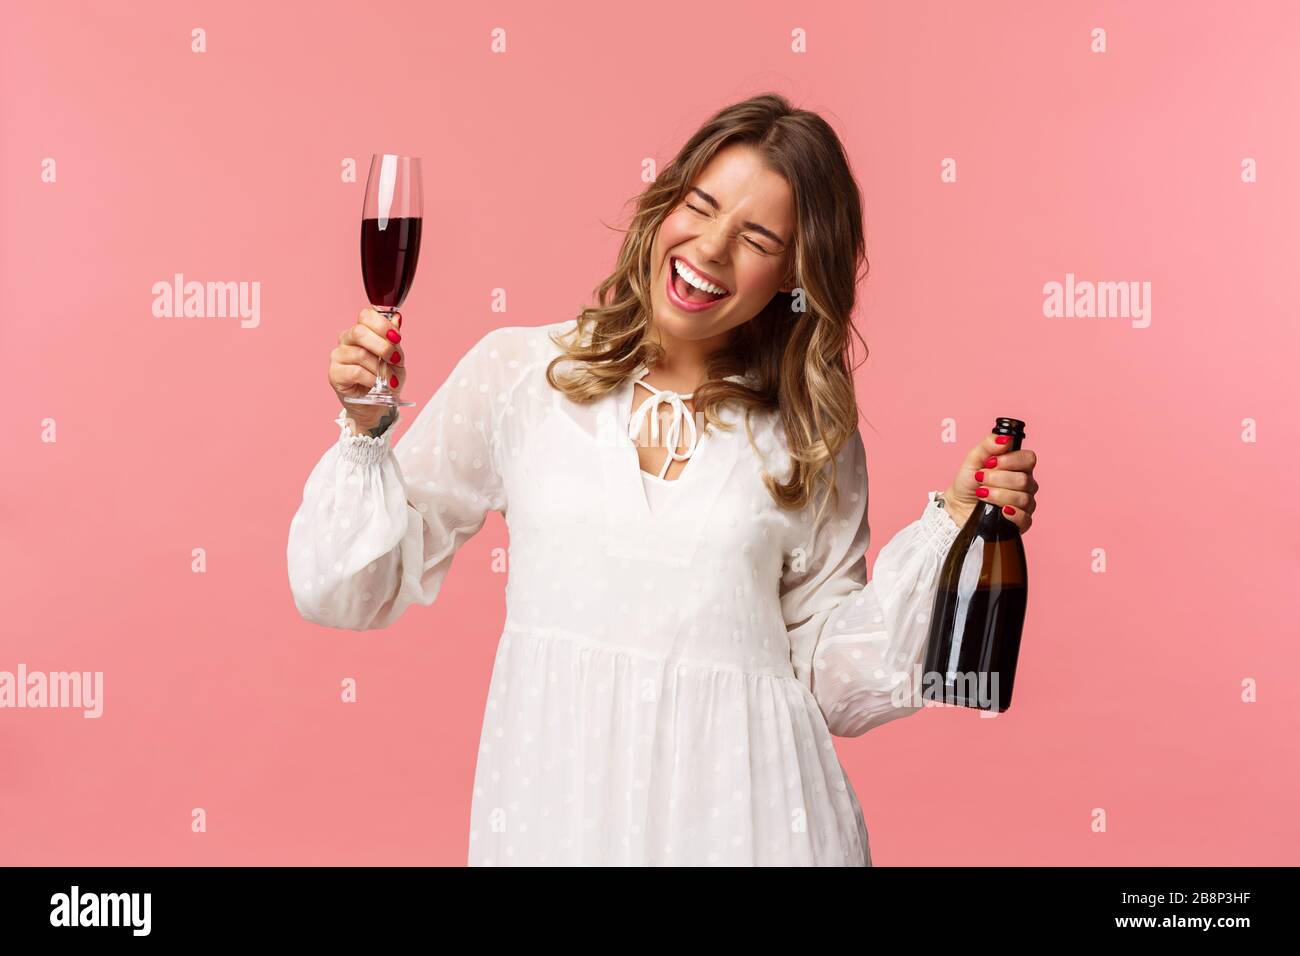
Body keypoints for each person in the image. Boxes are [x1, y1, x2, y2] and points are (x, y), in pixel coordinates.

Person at [287, 93, 1040, 866]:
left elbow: (833, 682)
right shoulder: (522, 375)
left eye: (755, 237)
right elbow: (349, 589)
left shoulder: (809, 431)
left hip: (755, 832)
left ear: (793, 274)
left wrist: (950, 529)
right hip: (560, 819)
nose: (710, 249)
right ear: (664, 203)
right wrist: (367, 429)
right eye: (701, 205)